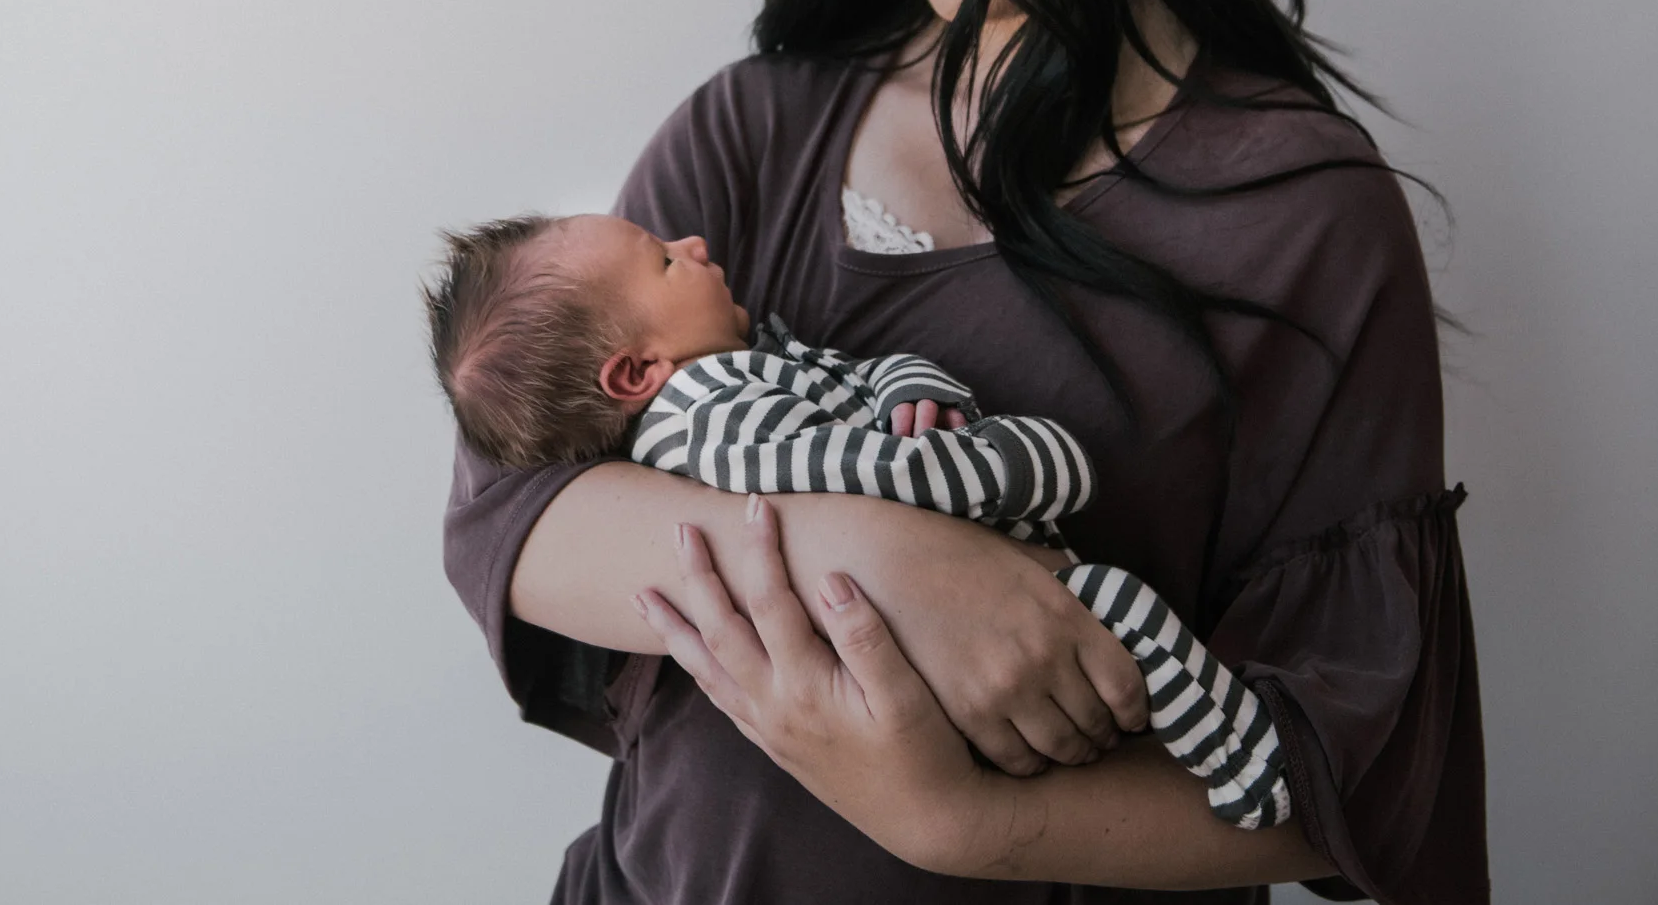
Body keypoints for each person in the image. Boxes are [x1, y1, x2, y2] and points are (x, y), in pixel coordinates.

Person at [441, 0, 1487, 904]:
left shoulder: (1299, 215)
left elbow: (1351, 766)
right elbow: (518, 514)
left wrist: (954, 820)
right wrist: (889, 547)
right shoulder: (758, 130)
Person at [421, 209, 1292, 829]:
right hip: (908, 659)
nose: (692, 243)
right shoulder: (708, 415)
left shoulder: (750, 365)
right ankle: (1254, 770)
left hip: (947, 659)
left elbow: (860, 381)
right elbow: (851, 478)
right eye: (664, 262)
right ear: (638, 369)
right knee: (1115, 605)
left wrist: (913, 389)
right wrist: (996, 468)